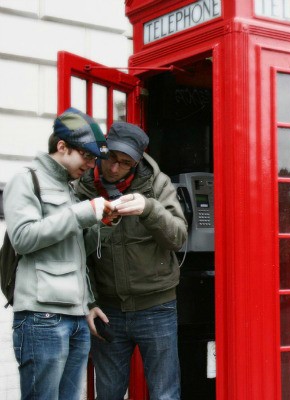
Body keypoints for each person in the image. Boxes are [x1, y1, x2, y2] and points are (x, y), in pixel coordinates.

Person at [3, 107, 113, 399]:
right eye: (87, 156)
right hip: (42, 316)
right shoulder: (26, 181)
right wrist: (81, 214)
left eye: (94, 158)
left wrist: (98, 223)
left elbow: (74, 255)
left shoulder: (71, 190)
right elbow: (23, 238)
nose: (91, 165)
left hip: (76, 316)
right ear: (62, 147)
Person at [76, 121, 187, 399]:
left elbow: (178, 237)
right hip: (108, 310)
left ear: (136, 163)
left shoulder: (157, 185)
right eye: (111, 158)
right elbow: (77, 254)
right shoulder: (85, 187)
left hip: (157, 307)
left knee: (165, 393)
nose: (114, 168)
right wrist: (89, 302)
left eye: (125, 163)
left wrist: (150, 209)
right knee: (109, 393)